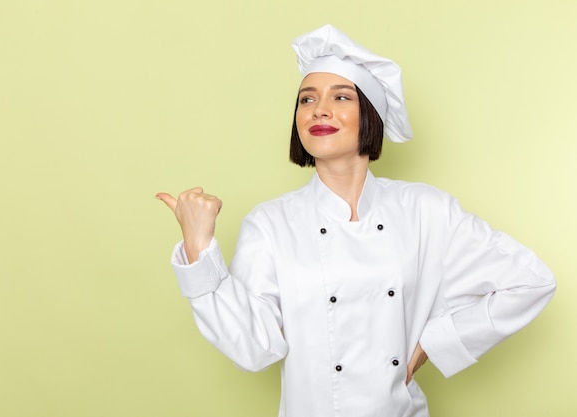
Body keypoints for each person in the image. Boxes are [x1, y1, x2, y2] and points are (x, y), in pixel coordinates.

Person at [156, 24, 556, 417]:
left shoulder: (427, 211)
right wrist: (198, 247)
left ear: (371, 113)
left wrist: (439, 342)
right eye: (306, 99)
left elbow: (531, 281)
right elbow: (255, 348)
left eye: (341, 96)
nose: (320, 111)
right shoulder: (271, 223)